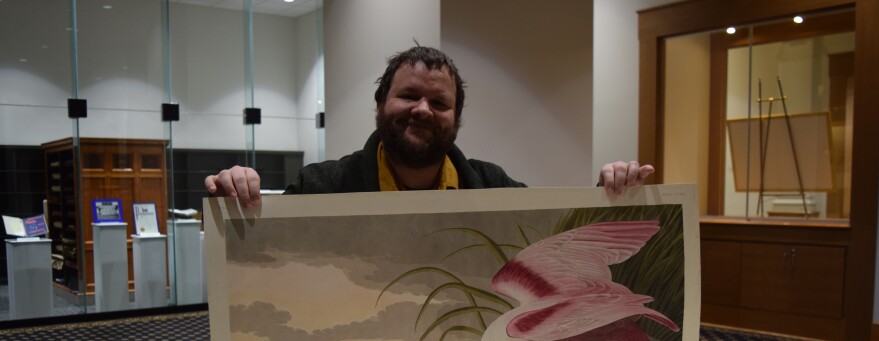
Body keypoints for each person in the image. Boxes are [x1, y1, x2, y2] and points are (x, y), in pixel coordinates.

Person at [205, 46, 654, 208]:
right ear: (381, 103)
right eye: (408, 96)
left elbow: (555, 238)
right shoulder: (322, 186)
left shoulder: (495, 186)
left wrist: (608, 194)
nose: (422, 109)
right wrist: (237, 196)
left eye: (439, 102)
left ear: (456, 120)